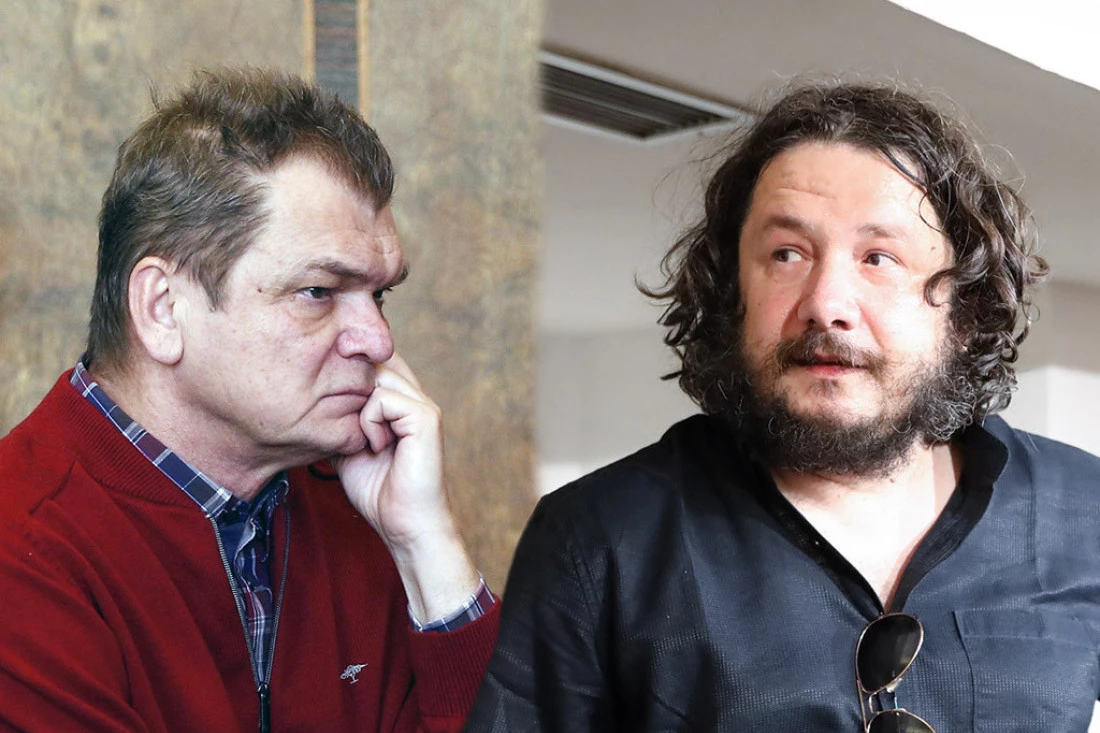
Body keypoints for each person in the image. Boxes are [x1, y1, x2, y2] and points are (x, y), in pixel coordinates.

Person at [467, 81, 1100, 732]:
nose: (825, 303)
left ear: (964, 310)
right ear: (732, 295)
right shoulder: (598, 537)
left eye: (878, 257)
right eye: (787, 254)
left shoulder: (1086, 510)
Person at [0, 68, 498, 732]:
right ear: (162, 308)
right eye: (318, 292)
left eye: (379, 295)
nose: (379, 339)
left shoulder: (365, 507)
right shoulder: (20, 543)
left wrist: (426, 546)